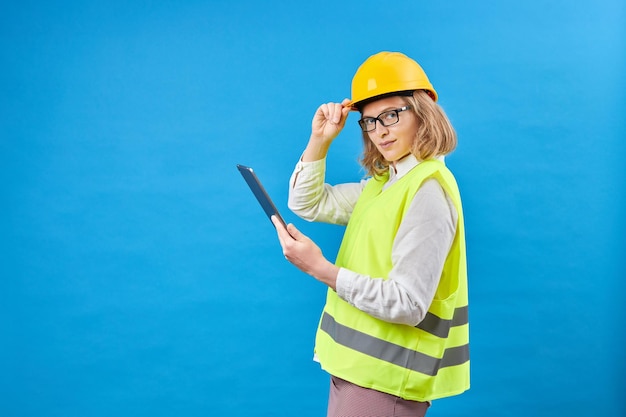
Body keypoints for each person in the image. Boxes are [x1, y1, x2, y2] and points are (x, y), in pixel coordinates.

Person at [271, 51, 469, 417]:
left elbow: (408, 303)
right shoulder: (383, 185)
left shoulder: (427, 191)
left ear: (422, 111)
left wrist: (321, 270)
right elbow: (307, 202)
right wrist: (320, 139)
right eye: (369, 122)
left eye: (391, 115)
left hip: (386, 381)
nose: (380, 130)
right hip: (357, 372)